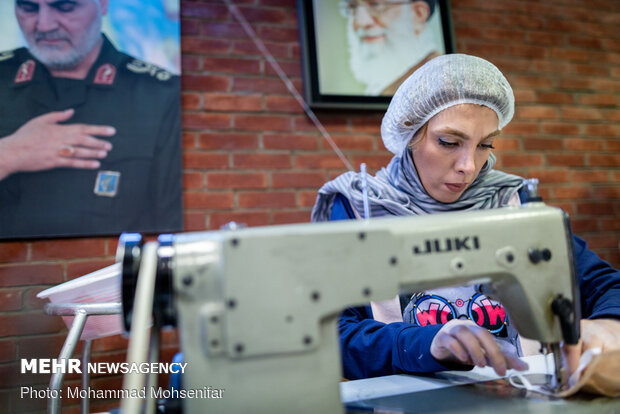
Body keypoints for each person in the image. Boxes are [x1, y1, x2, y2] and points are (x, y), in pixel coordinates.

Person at [311, 54, 620, 380]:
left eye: (485, 144)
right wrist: (424, 343)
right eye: (448, 142)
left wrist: (609, 324)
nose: (469, 166)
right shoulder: (360, 210)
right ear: (410, 133)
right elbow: (334, 335)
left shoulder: (513, 202)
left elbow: (605, 285)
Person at [0, 0, 182, 238]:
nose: (44, 26)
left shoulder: (161, 95)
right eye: (28, 8)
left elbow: (177, 232)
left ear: (103, 5)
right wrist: (9, 155)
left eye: (64, 7)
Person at [340, 0, 441, 96]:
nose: (361, 22)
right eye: (352, 7)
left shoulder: (439, 80)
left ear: (418, 13)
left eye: (376, 5)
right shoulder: (384, 87)